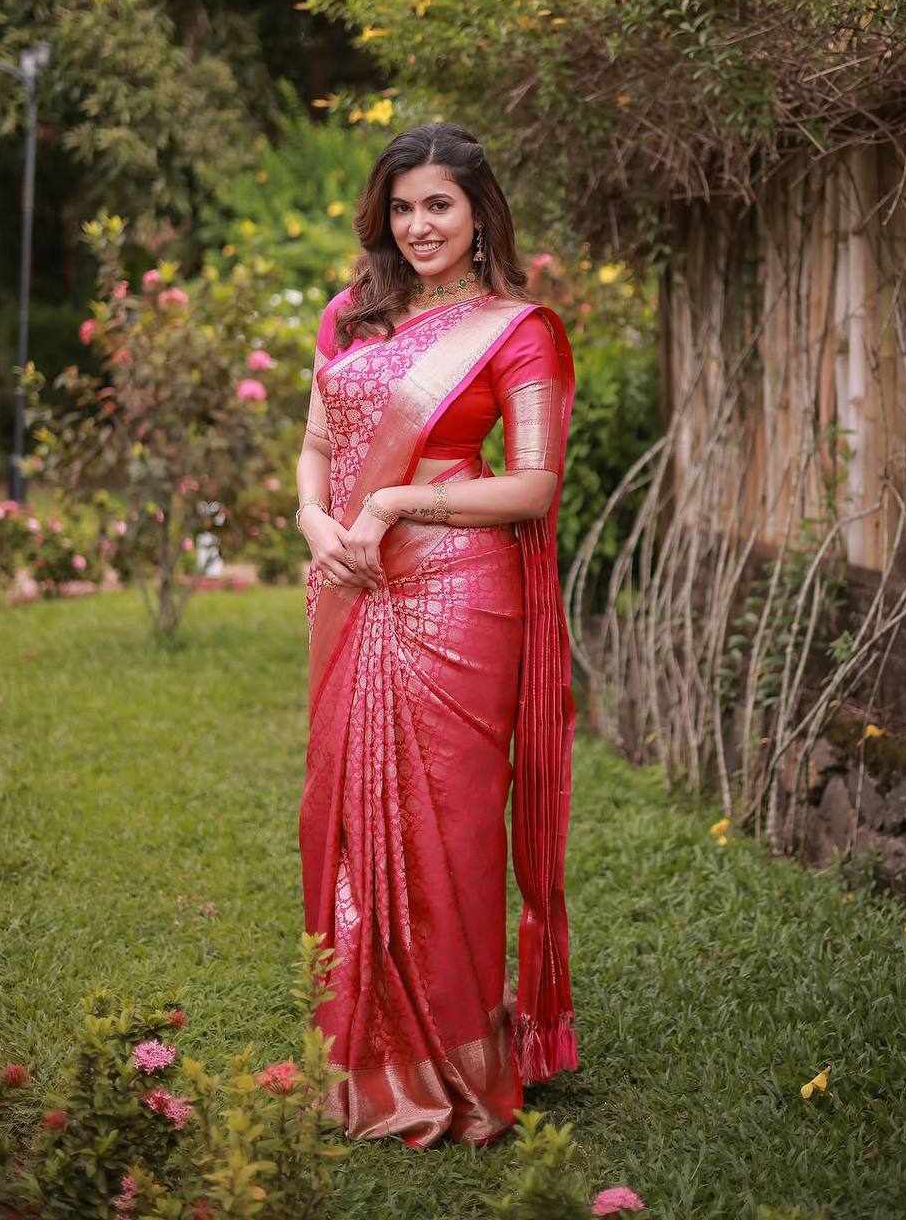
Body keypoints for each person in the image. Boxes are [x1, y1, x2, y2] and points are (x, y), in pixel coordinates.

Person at [295, 121, 578, 1150]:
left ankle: (454, 1062)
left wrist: (396, 502)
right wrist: (316, 521)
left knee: (448, 825)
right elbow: (315, 446)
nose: (418, 226)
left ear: (478, 214)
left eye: (439, 206)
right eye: (403, 207)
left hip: (458, 593)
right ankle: (363, 1050)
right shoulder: (349, 314)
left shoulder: (518, 329)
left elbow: (533, 485)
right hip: (349, 580)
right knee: (343, 808)